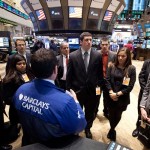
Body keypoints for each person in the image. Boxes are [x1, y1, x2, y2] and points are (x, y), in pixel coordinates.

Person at [13, 49, 87, 146]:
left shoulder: (20, 90)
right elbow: (79, 125)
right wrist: (76, 102)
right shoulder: (65, 101)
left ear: (31, 67)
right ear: (55, 70)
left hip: (29, 143)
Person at [66, 32, 103, 139]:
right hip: (77, 91)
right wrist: (68, 91)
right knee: (77, 111)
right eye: (86, 40)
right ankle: (77, 129)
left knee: (90, 112)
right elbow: (69, 75)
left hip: (92, 92)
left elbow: (100, 74)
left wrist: (99, 89)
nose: (89, 42)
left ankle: (87, 129)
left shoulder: (97, 55)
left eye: (90, 40)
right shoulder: (73, 56)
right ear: (80, 42)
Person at [105, 47, 136, 141]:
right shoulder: (112, 66)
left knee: (118, 115)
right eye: (119, 56)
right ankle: (112, 129)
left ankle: (112, 129)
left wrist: (117, 94)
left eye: (123, 56)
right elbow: (107, 80)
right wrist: (111, 92)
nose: (120, 58)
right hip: (111, 96)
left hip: (122, 98)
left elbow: (130, 86)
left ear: (128, 57)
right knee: (111, 114)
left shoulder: (131, 69)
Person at [2, 54, 34, 143]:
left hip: (31, 107)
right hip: (18, 110)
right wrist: (21, 99)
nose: (22, 65)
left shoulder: (29, 73)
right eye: (19, 64)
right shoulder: (9, 79)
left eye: (24, 63)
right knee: (26, 133)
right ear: (13, 65)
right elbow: (7, 99)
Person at [97, 37, 116, 118]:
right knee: (96, 96)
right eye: (103, 44)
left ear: (109, 45)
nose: (104, 46)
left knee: (107, 97)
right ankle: (95, 111)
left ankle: (106, 111)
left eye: (106, 44)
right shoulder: (96, 54)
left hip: (108, 81)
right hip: (98, 81)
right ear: (100, 45)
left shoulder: (114, 55)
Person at [132, 59, 150, 137]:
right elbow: (141, 76)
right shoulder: (147, 62)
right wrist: (146, 90)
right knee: (141, 113)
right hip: (144, 92)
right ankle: (138, 128)